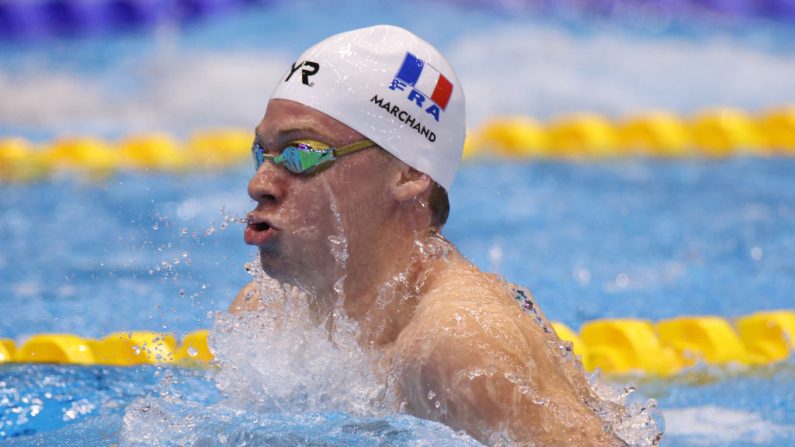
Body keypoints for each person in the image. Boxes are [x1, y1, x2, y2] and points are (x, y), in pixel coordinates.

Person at [229, 25, 628, 445]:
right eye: (263, 152)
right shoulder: (264, 317)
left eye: (302, 153)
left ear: (409, 172)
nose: (260, 183)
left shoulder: (458, 347)